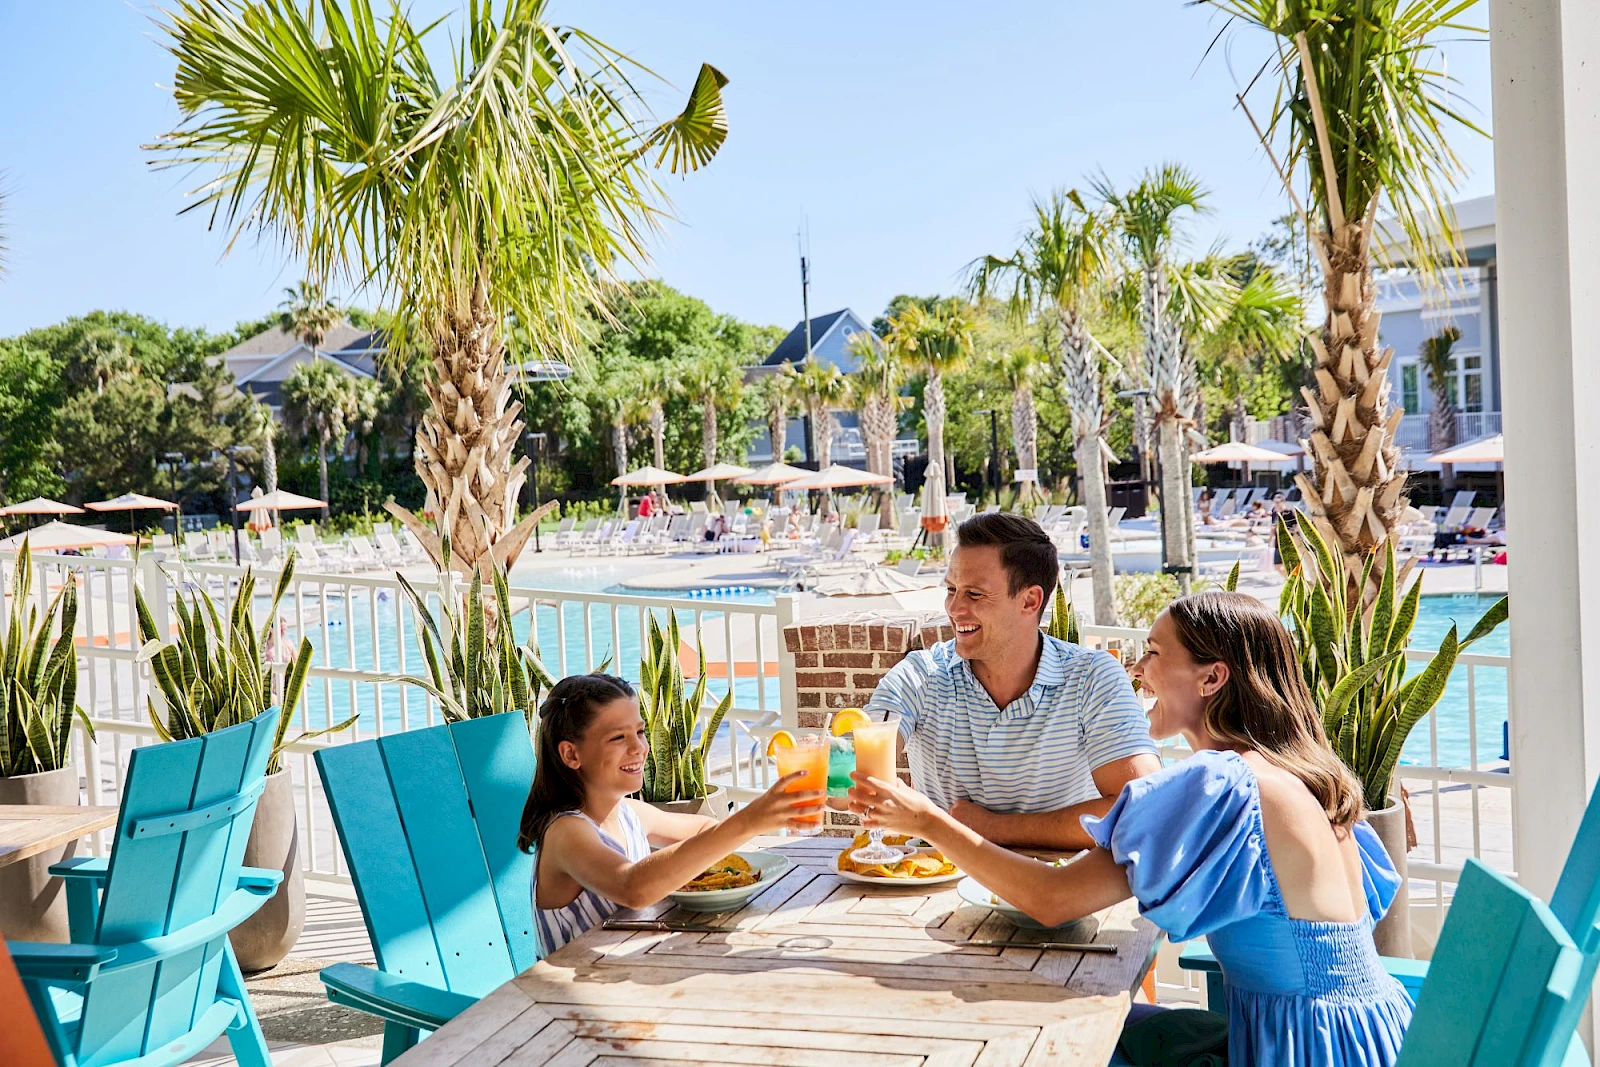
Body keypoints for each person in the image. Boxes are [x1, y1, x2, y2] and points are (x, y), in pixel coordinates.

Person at [849, 591, 1412, 1066]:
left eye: (1153, 654)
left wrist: (929, 820)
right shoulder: (1299, 770)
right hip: (1372, 1036)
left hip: (1295, 1051)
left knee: (1051, 1036)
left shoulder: (1224, 784)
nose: (1137, 671)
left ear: (1213, 677)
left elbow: (1051, 900)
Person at [864, 512, 1160, 850]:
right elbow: (859, 757)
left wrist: (990, 828)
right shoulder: (923, 674)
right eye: (951, 590)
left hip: (1058, 891)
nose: (954, 608)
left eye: (974, 594)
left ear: (1030, 600)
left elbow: (1141, 810)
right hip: (931, 890)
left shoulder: (1091, 678)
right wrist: (840, 777)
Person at [520, 673, 823, 955]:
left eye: (639, 732)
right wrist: (749, 821)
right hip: (569, 997)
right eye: (618, 738)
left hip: (633, 969)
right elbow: (633, 887)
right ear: (571, 754)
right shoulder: (566, 832)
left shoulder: (630, 813)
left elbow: (706, 827)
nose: (639, 747)